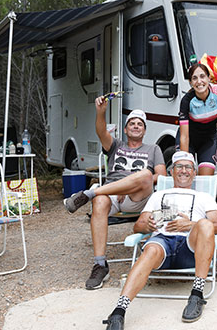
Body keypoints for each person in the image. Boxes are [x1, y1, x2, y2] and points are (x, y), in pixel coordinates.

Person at [104, 150, 217, 328]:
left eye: (188, 167)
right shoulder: (157, 195)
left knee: (206, 225)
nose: (184, 171)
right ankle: (119, 311)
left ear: (194, 172)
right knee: (151, 249)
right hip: (162, 243)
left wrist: (191, 224)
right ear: (171, 171)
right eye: (179, 167)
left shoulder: (204, 197)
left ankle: (197, 294)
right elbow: (138, 225)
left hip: (190, 246)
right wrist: (148, 226)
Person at [64, 102, 166, 290]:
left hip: (138, 198)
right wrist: (100, 112)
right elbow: (101, 131)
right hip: (111, 195)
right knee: (100, 201)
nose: (136, 126)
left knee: (145, 175)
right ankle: (100, 265)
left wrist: (128, 188)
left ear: (144, 131)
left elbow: (162, 176)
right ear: (126, 130)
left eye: (140, 124)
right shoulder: (116, 145)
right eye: (132, 123)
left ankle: (89, 193)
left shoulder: (153, 149)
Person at [178, 62, 217, 174]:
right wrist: (184, 162)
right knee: (186, 174)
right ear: (190, 83)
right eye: (194, 78)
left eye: (202, 76)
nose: (199, 82)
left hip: (208, 140)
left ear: (209, 78)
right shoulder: (186, 101)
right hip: (188, 139)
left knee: (205, 178)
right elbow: (184, 136)